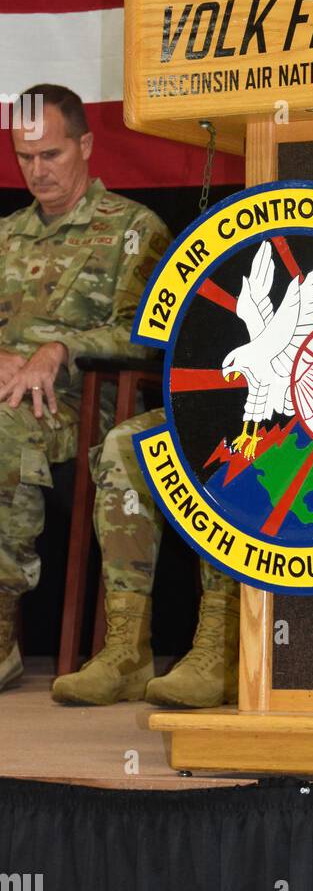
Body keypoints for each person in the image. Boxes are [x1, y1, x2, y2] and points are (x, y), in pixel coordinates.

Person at [0, 85, 170, 692]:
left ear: (86, 145)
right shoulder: (8, 234)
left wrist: (60, 350)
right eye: (24, 157)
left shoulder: (132, 228)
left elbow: (149, 334)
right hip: (11, 403)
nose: (37, 170)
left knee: (5, 430)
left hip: (86, 409)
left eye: (51, 154)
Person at [51, 407, 239, 708]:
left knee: (217, 432)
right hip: (202, 398)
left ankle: (225, 646)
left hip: (287, 416)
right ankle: (128, 650)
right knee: (125, 443)